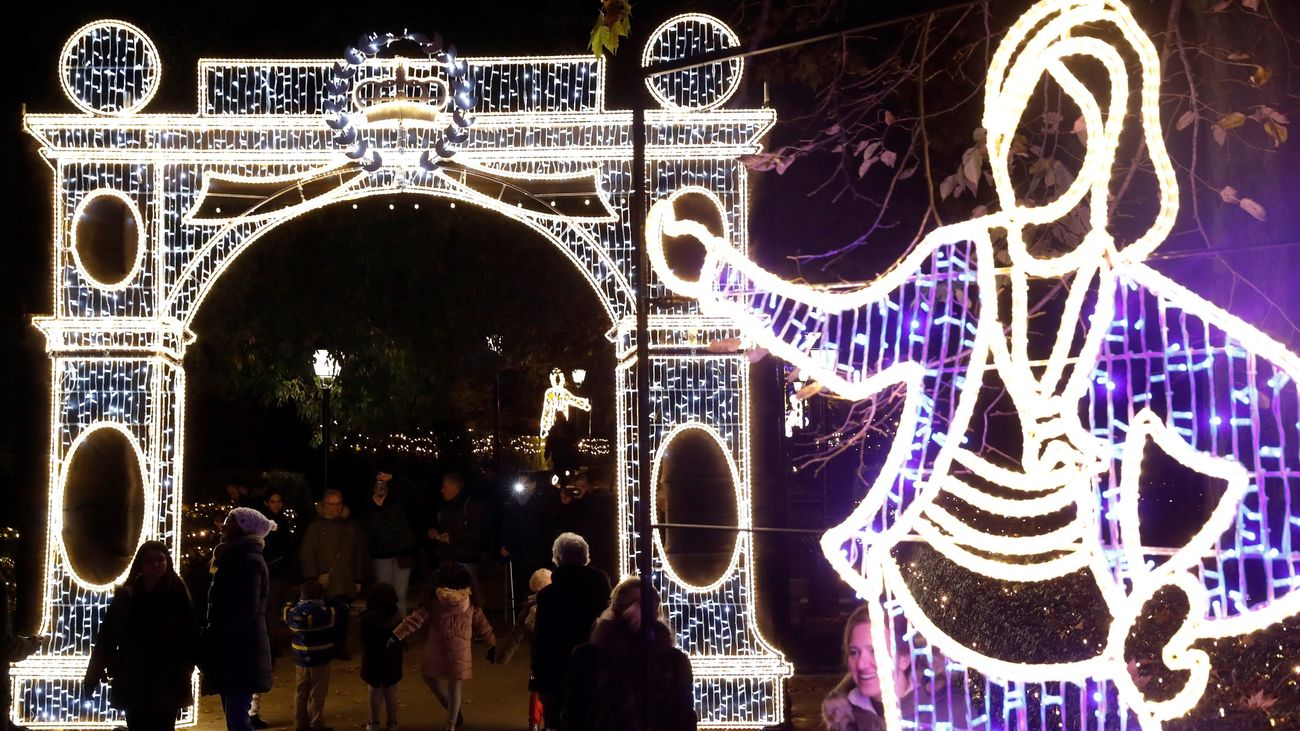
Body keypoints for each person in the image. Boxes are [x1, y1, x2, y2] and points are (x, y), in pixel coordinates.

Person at [84, 540, 197, 731]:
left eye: (160, 560)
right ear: (140, 564)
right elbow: (108, 638)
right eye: (149, 560)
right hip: (133, 677)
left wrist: (188, 666)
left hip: (168, 678)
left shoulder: (178, 594)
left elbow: (191, 635)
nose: (155, 565)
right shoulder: (127, 596)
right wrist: (92, 676)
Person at [562, 577, 696, 731]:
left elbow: (574, 716)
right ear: (657, 613)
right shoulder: (675, 661)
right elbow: (685, 718)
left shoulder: (586, 657)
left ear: (613, 610)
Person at [393, 561, 498, 731]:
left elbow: (414, 621)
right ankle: (451, 723)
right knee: (455, 686)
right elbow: (483, 625)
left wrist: (395, 635)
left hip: (437, 648)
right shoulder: (471, 601)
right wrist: (491, 644)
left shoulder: (433, 600)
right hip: (461, 652)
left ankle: (449, 708)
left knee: (429, 676)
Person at [203, 507, 276, 731]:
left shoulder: (247, 560)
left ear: (244, 528)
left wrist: (220, 633)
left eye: (229, 521)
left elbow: (246, 608)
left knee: (237, 720)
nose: (223, 525)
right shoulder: (235, 557)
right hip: (235, 650)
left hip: (240, 651)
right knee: (235, 716)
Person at [530, 533, 610, 729]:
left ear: (558, 559)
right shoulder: (601, 589)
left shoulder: (548, 596)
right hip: (595, 670)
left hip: (558, 673)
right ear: (585, 557)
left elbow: (541, 641)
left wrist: (539, 682)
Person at [821, 605, 918, 731]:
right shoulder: (843, 720)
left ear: (904, 659)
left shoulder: (941, 714)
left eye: (875, 651)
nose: (861, 664)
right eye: (854, 652)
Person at [299, 489, 361, 660]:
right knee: (325, 618)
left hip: (346, 579)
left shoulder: (349, 525)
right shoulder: (316, 527)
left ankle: (338, 648)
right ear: (324, 505)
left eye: (338, 504)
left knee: (342, 617)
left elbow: (358, 552)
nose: (335, 508)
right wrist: (312, 577)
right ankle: (325, 648)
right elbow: (307, 552)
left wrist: (358, 578)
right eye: (331, 504)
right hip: (325, 580)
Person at [497, 568, 552, 731]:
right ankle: (550, 723)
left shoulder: (528, 608)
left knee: (537, 689)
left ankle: (534, 723)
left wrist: (502, 656)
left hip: (537, 658)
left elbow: (515, 635)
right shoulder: (559, 604)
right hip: (557, 656)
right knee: (553, 691)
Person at [283, 580, 336, 731]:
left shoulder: (293, 614)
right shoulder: (326, 614)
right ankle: (317, 723)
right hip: (321, 659)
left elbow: (286, 609)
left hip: (300, 659)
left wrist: (292, 602)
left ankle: (300, 723)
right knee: (317, 692)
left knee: (301, 690)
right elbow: (337, 609)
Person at [365, 472, 416, 615]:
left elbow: (410, 489)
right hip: (382, 555)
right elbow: (370, 529)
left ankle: (400, 629)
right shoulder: (369, 508)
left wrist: (393, 478)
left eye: (384, 486)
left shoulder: (398, 505)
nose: (380, 489)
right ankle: (385, 625)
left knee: (400, 595)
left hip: (402, 554)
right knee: (383, 593)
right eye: (377, 486)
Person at [359, 582, 404, 731]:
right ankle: (392, 722)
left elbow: (362, 638)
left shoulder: (366, 618)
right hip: (391, 660)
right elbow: (402, 639)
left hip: (372, 660)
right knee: (391, 690)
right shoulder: (397, 617)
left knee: (374, 691)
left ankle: (374, 723)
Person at [429, 473, 486, 584]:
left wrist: (452, 538)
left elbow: (478, 532)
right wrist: (436, 531)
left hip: (465, 559)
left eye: (444, 487)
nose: (442, 490)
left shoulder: (470, 506)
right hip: (449, 558)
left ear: (454, 487)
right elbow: (445, 525)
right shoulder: (448, 505)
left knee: (466, 594)